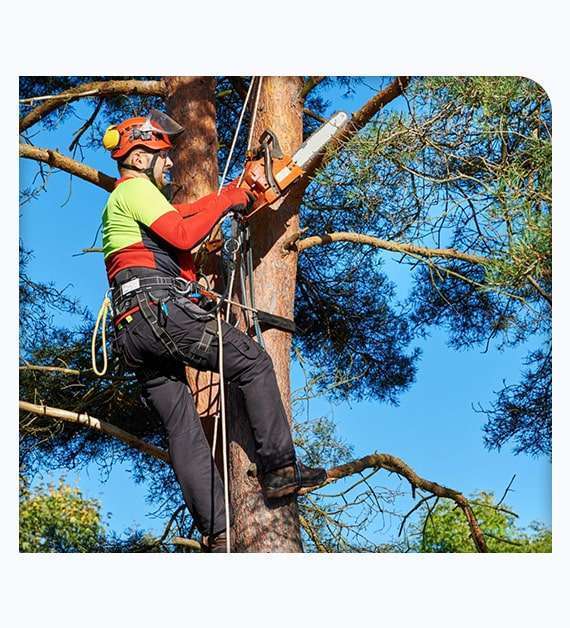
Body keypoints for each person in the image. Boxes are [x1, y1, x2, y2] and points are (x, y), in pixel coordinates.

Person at [101, 109, 326, 552]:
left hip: (133, 331)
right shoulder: (134, 190)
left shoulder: (130, 205)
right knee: (253, 362)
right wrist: (227, 199)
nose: (169, 165)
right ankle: (280, 469)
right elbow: (184, 234)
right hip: (158, 313)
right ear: (141, 156)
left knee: (183, 428)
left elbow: (182, 218)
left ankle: (218, 530)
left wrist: (234, 195)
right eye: (163, 157)